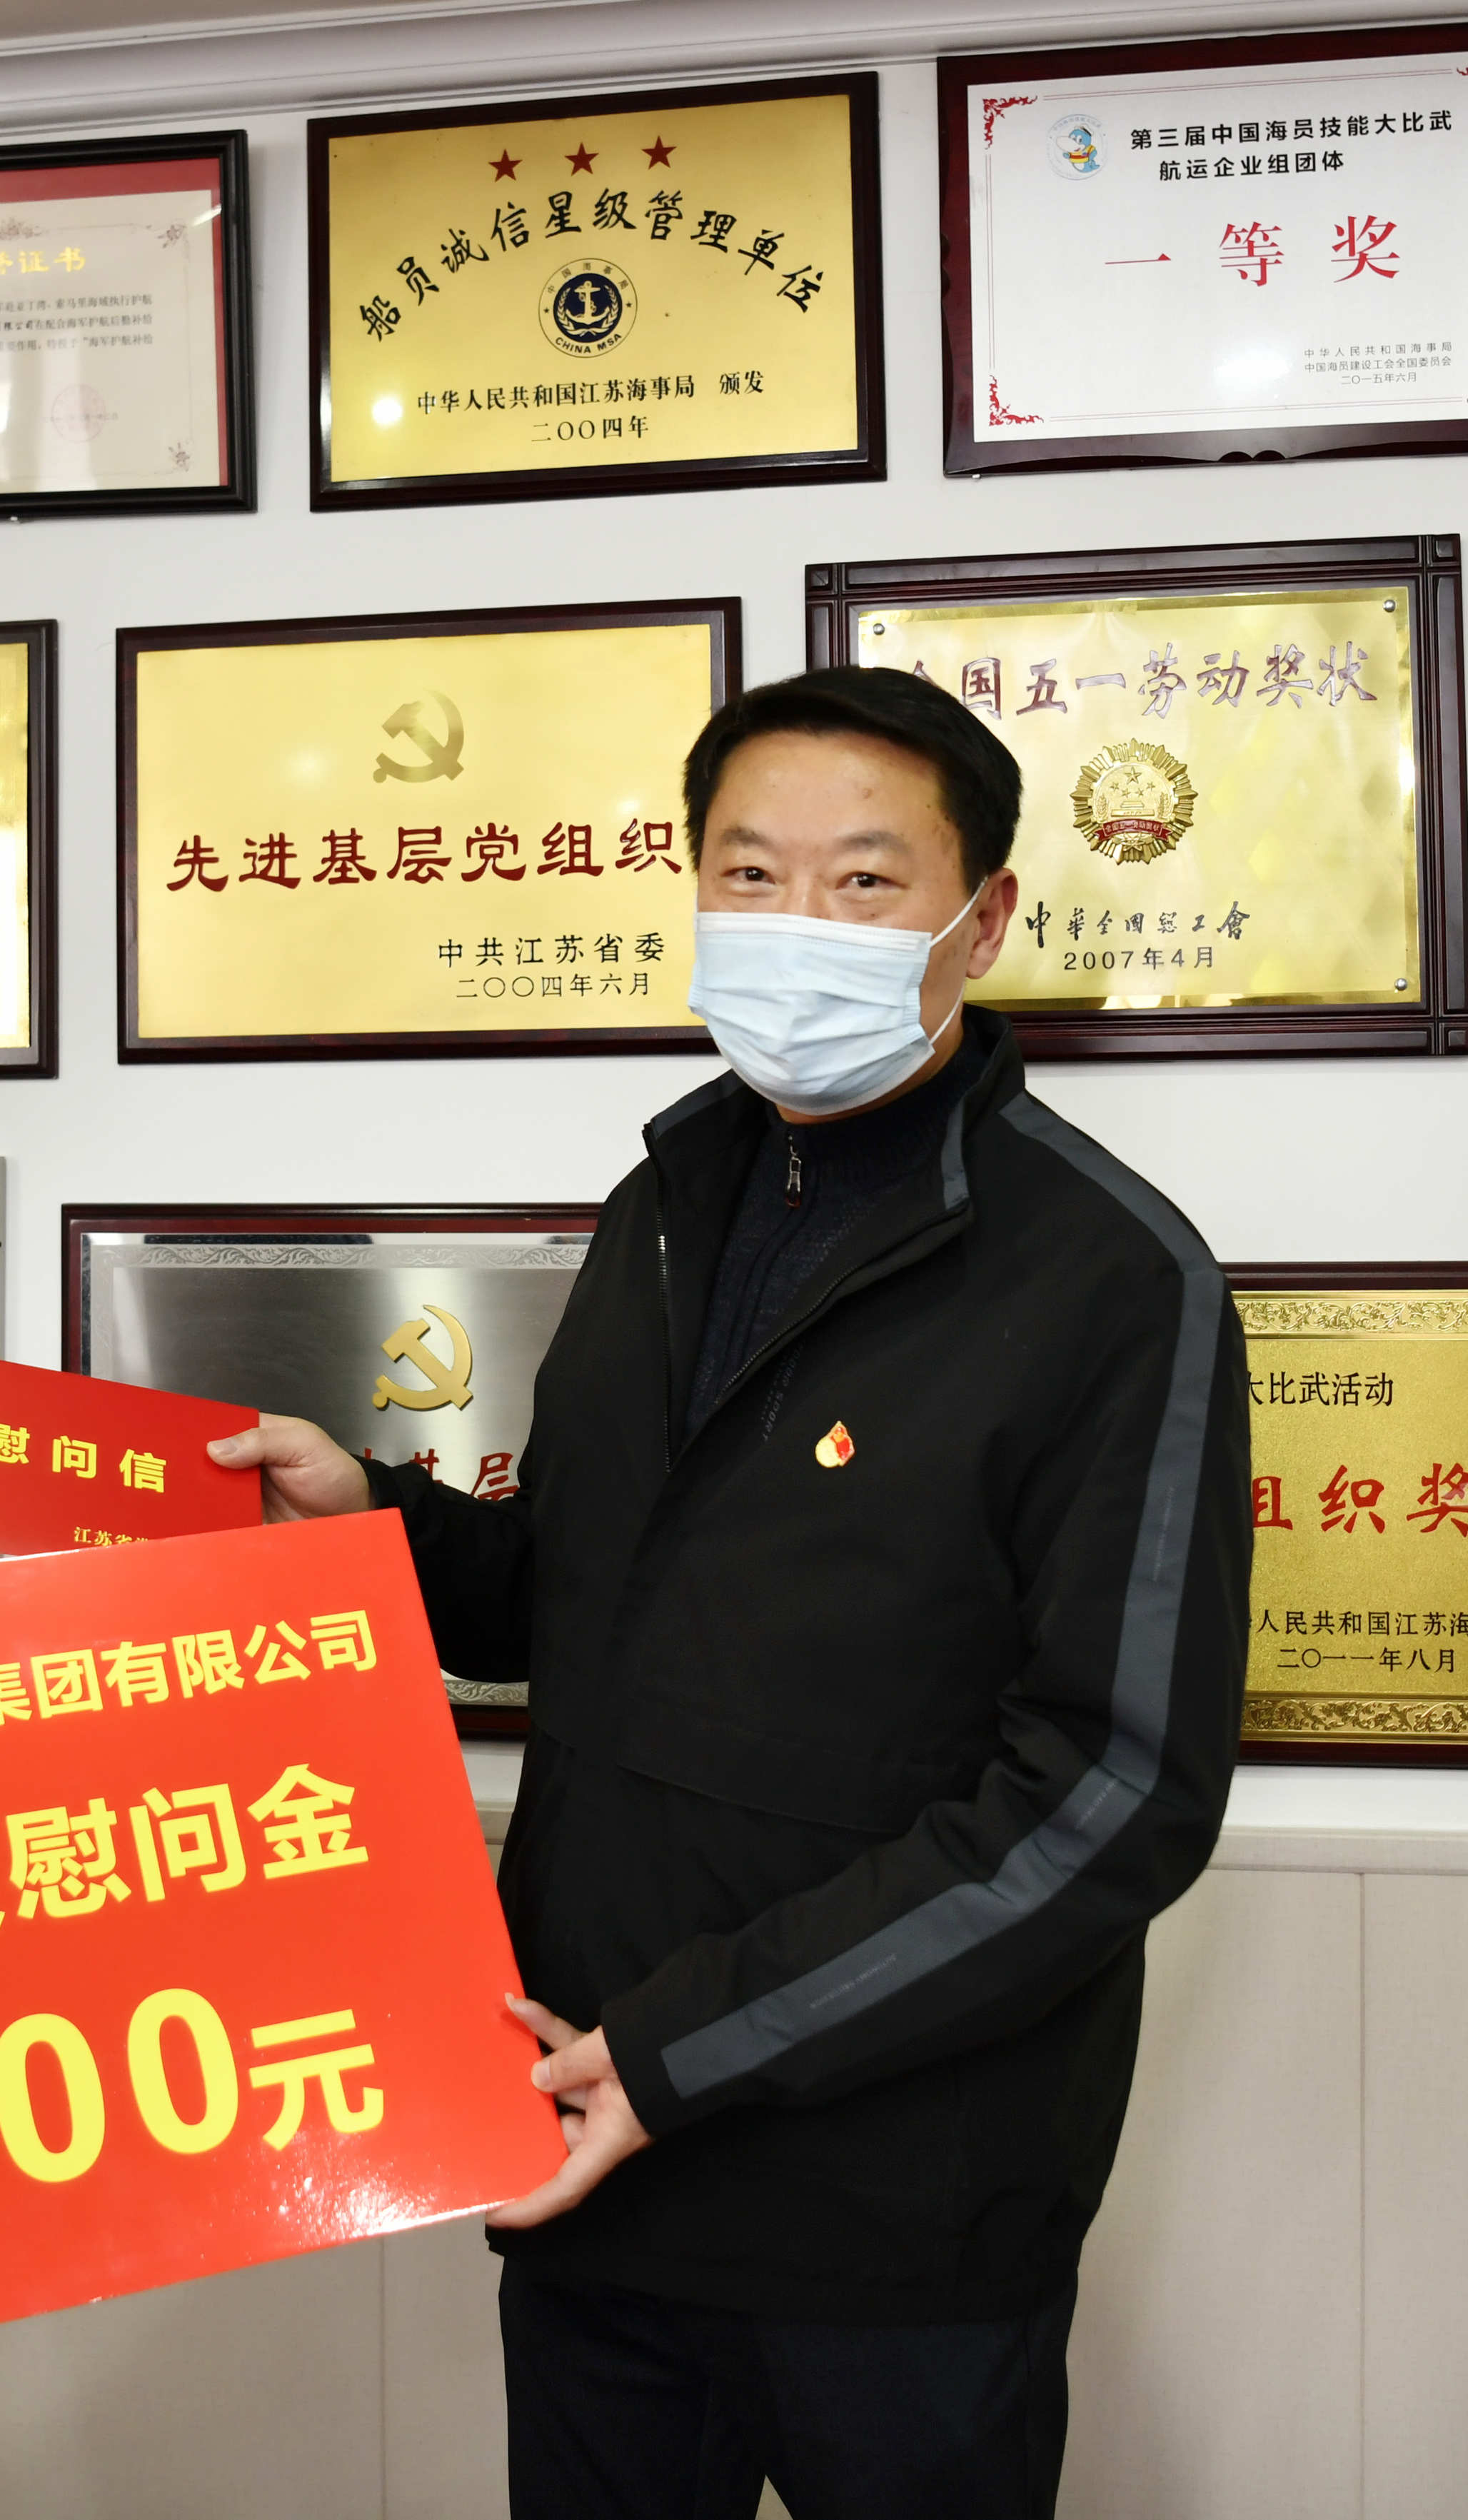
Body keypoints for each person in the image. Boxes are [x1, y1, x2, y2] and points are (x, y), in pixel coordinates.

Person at [211, 667, 1250, 2519]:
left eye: (865, 880)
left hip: (901, 2221)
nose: (796, 925)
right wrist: (365, 1520)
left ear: (982, 916)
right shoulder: (668, 1200)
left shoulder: (1110, 1279)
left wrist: (688, 2051)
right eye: (749, 873)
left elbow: (1114, 1792)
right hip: (589, 2153)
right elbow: (585, 1597)